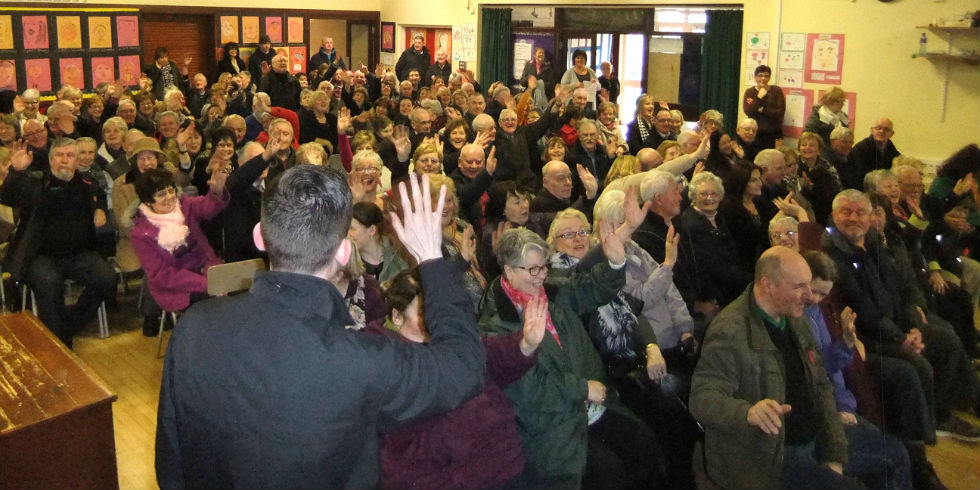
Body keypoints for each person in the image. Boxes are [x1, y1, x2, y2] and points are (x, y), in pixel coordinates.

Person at [156, 170, 486, 489]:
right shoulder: (363, 359)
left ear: (260, 236)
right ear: (344, 252)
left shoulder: (194, 327)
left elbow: (172, 462)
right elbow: (463, 366)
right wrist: (431, 258)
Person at [479, 226, 665, 490]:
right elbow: (526, 391)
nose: (541, 276)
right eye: (532, 269)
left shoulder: (550, 296)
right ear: (508, 270)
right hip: (550, 426)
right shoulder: (496, 324)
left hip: (588, 407)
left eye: (543, 267)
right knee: (608, 473)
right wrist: (582, 388)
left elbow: (590, 288)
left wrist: (615, 262)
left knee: (645, 445)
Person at [690, 246, 857, 490]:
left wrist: (834, 454)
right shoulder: (730, 330)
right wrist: (747, 412)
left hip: (813, 437)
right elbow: (701, 398)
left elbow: (821, 385)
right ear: (768, 285)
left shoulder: (794, 317)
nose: (810, 296)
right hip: (770, 455)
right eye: (799, 287)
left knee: (895, 455)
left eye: (809, 286)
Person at [375, 268, 542, 490]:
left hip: (505, 461)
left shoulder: (451, 336)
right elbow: (396, 457)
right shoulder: (387, 365)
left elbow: (491, 354)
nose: (434, 316)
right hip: (459, 478)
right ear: (397, 316)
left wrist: (526, 344)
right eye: (424, 310)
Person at [801, 251, 914, 490]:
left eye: (823, 293)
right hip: (822, 412)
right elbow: (816, 371)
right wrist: (845, 346)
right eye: (813, 290)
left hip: (837, 403)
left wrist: (847, 342)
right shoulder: (798, 316)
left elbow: (830, 372)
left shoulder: (815, 311)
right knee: (893, 454)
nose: (816, 298)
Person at [0, 139, 116, 348]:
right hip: (40, 256)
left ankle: (67, 325)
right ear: (51, 159)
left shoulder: (86, 184)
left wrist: (100, 209)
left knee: (107, 277)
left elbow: (98, 196)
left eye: (70, 155)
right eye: (59, 155)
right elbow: (8, 197)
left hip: (79, 254)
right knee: (50, 284)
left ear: (76, 159)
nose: (65, 160)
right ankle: (61, 343)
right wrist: (17, 172)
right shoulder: (36, 182)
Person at [131, 167, 229, 335]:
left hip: (208, 269)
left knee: (242, 292)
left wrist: (217, 191)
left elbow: (208, 207)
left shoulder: (185, 205)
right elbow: (162, 275)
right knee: (216, 305)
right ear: (147, 201)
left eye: (171, 190)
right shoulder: (140, 234)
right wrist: (206, 284)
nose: (169, 197)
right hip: (177, 288)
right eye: (161, 194)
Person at [349, 201, 408, 282]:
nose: (348, 234)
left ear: (372, 230)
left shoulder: (399, 259)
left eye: (352, 228)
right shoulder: (348, 265)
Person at [742, 65, 785, 149]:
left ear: (769, 77)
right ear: (755, 77)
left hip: (774, 132)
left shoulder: (776, 91)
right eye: (760, 75)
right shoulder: (750, 92)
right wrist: (758, 98)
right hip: (755, 133)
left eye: (766, 76)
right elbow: (748, 111)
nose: (763, 78)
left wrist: (762, 110)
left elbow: (779, 112)